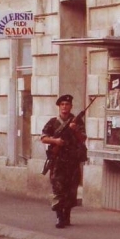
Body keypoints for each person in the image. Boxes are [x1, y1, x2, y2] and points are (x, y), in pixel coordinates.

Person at [41, 94, 86, 228]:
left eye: (67, 105)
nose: (64, 107)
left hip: (72, 161)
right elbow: (43, 138)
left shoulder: (77, 122)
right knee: (58, 190)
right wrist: (55, 141)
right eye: (62, 105)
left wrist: (75, 129)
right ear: (59, 107)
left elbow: (83, 138)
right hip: (58, 162)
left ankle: (67, 216)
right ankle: (59, 217)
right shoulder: (53, 122)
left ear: (71, 106)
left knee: (71, 190)